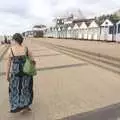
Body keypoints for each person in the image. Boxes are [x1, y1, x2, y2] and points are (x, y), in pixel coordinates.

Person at [6, 33, 35, 113]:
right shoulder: (26, 48)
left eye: (12, 40)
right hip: (26, 73)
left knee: (14, 89)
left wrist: (7, 75)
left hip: (15, 74)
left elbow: (8, 64)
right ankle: (25, 105)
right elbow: (32, 60)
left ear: (15, 40)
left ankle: (16, 106)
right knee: (26, 89)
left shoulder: (11, 50)